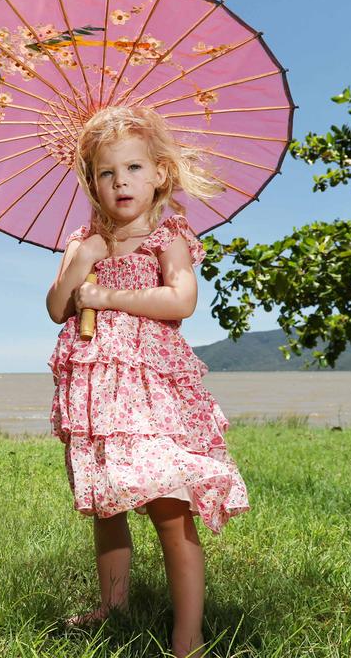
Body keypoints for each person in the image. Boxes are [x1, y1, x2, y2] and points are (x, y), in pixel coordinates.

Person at [45, 104, 251, 658]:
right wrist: (80, 263)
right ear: (93, 182)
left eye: (133, 169)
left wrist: (108, 295)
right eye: (107, 173)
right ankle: (112, 606)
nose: (121, 182)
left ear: (159, 172)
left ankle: (188, 633)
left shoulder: (167, 237)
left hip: (151, 394)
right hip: (98, 394)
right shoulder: (83, 242)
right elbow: (56, 308)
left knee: (169, 502)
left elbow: (180, 299)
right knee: (107, 506)